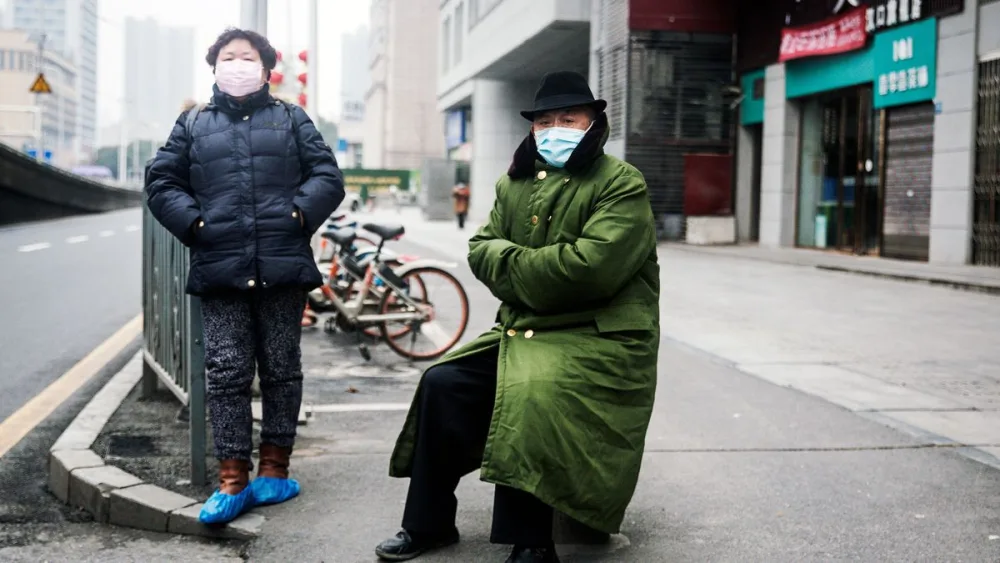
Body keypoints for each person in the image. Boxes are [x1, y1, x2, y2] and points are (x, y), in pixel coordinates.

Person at [375, 70, 660, 563]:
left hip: (599, 337)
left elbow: (590, 271)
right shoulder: (514, 183)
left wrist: (514, 267)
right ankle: (428, 522)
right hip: (525, 329)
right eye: (544, 121)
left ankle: (531, 541)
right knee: (443, 381)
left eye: (568, 118)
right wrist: (530, 268)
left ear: (594, 122)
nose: (554, 128)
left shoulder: (621, 182)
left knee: (530, 392)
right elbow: (480, 248)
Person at [145, 27, 345, 525]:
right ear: (214, 67)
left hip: (282, 266)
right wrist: (194, 222)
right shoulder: (192, 124)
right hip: (221, 267)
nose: (237, 64)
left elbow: (327, 176)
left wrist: (299, 214)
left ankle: (275, 471)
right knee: (227, 373)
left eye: (247, 56)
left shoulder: (291, 118)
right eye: (228, 57)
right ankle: (232, 479)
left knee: (281, 370)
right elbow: (161, 180)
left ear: (266, 66)